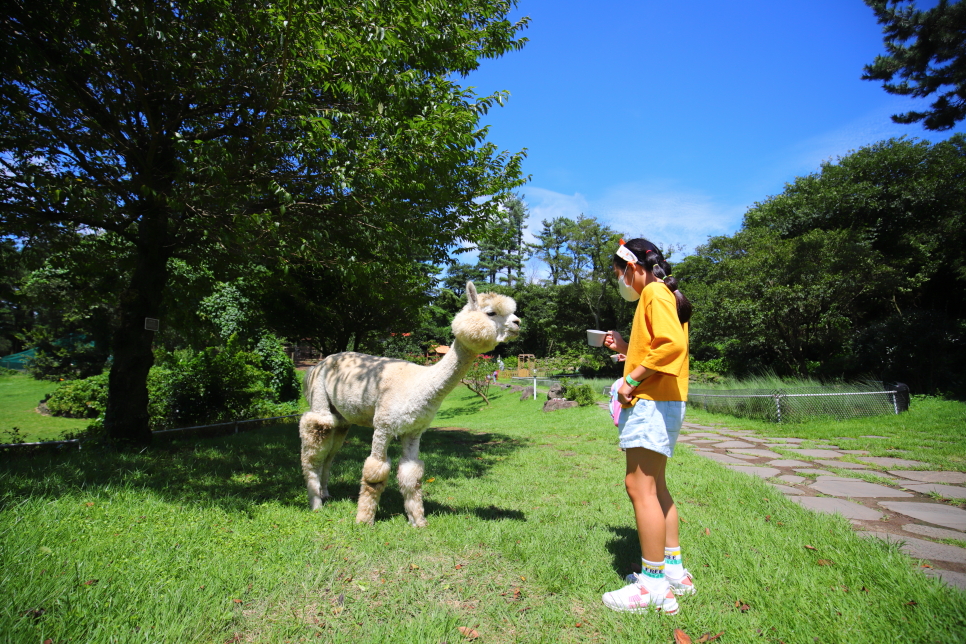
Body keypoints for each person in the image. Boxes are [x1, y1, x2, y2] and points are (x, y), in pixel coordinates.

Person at [600, 238, 694, 615]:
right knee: (655, 487)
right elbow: (658, 347)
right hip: (667, 399)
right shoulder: (662, 294)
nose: (619, 281)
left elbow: (670, 346)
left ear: (632, 266)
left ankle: (652, 586)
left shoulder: (653, 293)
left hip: (651, 403)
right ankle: (673, 572)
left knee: (638, 486)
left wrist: (631, 381)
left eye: (618, 274)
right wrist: (626, 349)